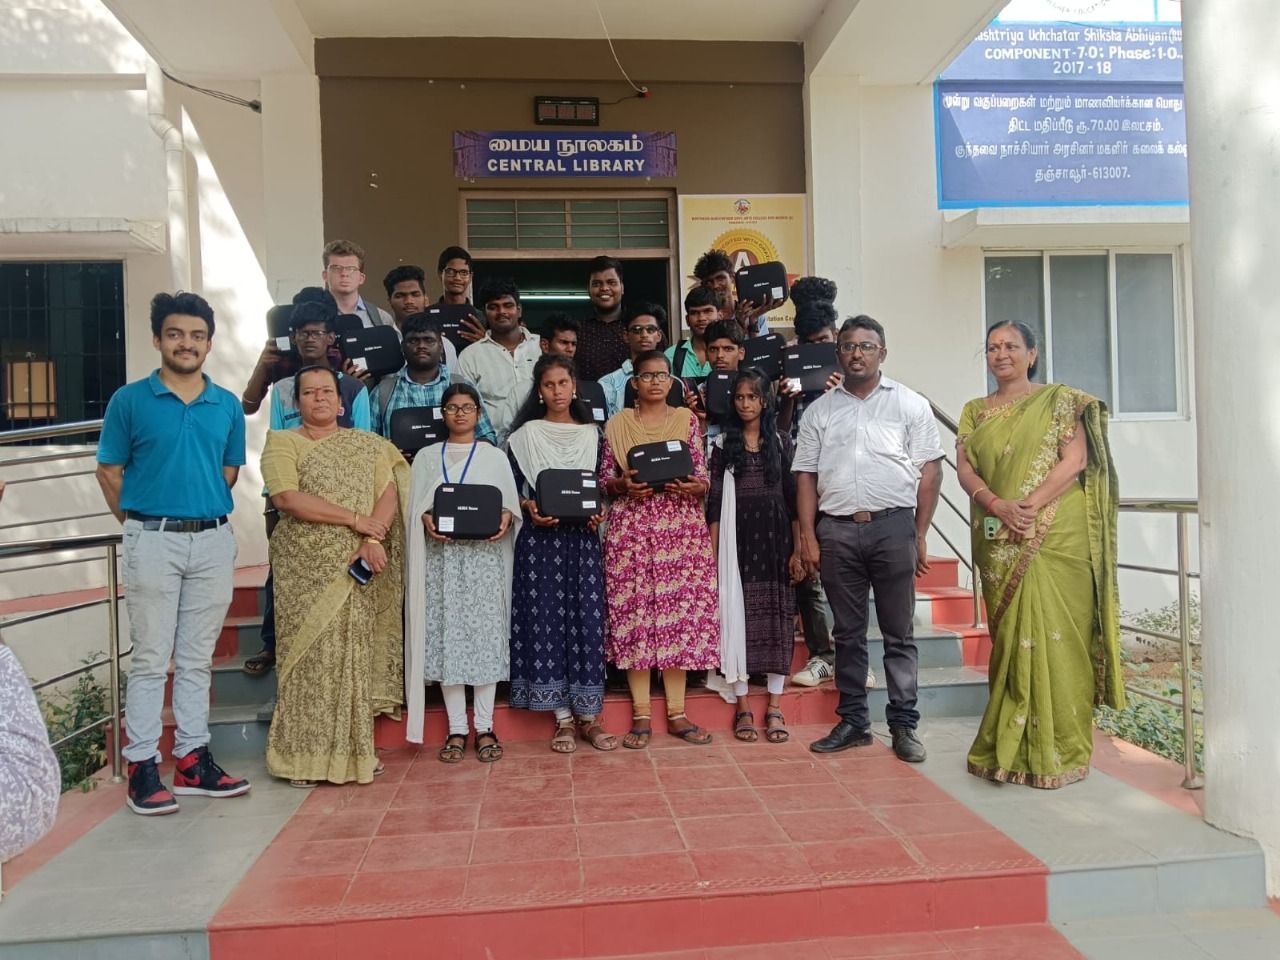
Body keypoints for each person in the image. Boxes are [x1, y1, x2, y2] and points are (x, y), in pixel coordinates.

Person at [95, 292, 250, 816]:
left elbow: (228, 473)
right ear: (158, 339)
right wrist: (143, 525)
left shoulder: (227, 404)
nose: (188, 344)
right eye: (177, 334)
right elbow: (109, 471)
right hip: (153, 538)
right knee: (149, 658)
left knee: (196, 659)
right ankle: (141, 764)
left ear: (209, 342)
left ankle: (191, 759)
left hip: (211, 537)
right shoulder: (130, 401)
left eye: (198, 335)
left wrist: (191, 514)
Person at [957, 321, 1124, 788]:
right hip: (998, 535)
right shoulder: (974, 410)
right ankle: (1006, 747)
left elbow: (1075, 461)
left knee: (1060, 637)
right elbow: (964, 469)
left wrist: (1027, 507)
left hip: (1054, 533)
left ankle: (1061, 749)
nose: (1000, 354)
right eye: (992, 347)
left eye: (1011, 346)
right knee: (1010, 638)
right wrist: (998, 505)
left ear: (1032, 354)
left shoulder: (1060, 400)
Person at [795, 316, 944, 763]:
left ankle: (903, 726)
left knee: (899, 633)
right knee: (848, 633)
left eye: (867, 346)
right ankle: (855, 722)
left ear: (883, 352)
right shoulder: (819, 411)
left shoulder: (910, 405)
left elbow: (931, 471)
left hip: (893, 527)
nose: (857, 353)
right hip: (837, 530)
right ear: (837, 353)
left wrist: (919, 533)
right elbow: (805, 476)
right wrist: (808, 537)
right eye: (848, 346)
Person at [260, 366, 408, 787]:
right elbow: (287, 497)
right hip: (304, 568)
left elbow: (390, 491)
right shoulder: (281, 442)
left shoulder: (368, 445)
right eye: (309, 393)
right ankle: (300, 759)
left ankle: (356, 752)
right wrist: (358, 520)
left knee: (351, 656)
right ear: (297, 402)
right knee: (307, 659)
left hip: (357, 564)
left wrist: (373, 536)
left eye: (327, 391)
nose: (319, 398)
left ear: (343, 402)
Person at [600, 351, 719, 748]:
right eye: (647, 375)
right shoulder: (616, 426)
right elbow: (604, 480)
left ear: (672, 381)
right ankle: (640, 715)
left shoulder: (685, 420)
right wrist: (620, 486)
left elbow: (701, 474)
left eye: (662, 375)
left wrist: (696, 487)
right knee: (635, 616)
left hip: (678, 528)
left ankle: (677, 712)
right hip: (631, 529)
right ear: (633, 382)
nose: (655, 381)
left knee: (676, 619)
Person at [405, 384, 521, 763]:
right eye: (452, 408)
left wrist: (505, 518)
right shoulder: (425, 457)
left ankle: (484, 726)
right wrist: (424, 517)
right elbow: (416, 507)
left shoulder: (493, 456)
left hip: (483, 560)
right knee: (446, 640)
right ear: (442, 413)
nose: (459, 414)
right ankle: (457, 728)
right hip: (442, 560)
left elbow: (509, 506)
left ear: (477, 412)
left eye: (467, 407)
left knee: (485, 640)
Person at [506, 355, 616, 753]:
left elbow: (602, 487)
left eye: (563, 383)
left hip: (583, 541)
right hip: (541, 541)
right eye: (549, 385)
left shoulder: (594, 434)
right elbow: (512, 487)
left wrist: (599, 513)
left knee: (586, 622)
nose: (557, 391)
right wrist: (527, 506)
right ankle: (563, 720)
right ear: (539, 390)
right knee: (546, 623)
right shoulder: (525, 436)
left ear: (575, 387)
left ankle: (589, 717)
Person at [707, 369, 801, 744]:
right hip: (736, 541)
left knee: (778, 621)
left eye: (753, 397)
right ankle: (743, 706)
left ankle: (775, 706)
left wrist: (799, 548)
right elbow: (714, 504)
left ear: (765, 401)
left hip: (776, 540)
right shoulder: (721, 445)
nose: (745, 404)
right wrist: (713, 557)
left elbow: (795, 501)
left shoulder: (781, 441)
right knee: (737, 619)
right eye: (739, 398)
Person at [777, 294, 849, 690]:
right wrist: (788, 400)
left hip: (844, 489)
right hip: (802, 485)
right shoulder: (790, 371)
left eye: (822, 341)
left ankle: (852, 657)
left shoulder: (852, 374)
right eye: (807, 343)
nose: (815, 350)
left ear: (835, 336)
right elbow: (782, 434)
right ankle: (823, 656)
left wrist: (835, 395)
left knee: (845, 576)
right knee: (807, 569)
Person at [369, 312, 497, 447]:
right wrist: (391, 455)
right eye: (413, 340)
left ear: (441, 346)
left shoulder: (462, 386)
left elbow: (487, 436)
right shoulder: (383, 392)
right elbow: (368, 443)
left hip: (455, 467)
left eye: (429, 340)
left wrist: (460, 453)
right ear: (402, 347)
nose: (421, 346)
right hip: (400, 467)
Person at [456, 277, 542, 443]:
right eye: (493, 307)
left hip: (541, 443)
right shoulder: (471, 356)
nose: (501, 311)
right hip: (491, 446)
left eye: (508, 305)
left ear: (519, 310)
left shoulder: (542, 347)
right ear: (485, 313)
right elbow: (464, 406)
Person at [268, 300, 371, 432]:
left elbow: (365, 443)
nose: (310, 339)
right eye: (304, 333)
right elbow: (276, 442)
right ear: (294, 338)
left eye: (317, 333)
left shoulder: (354, 388)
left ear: (331, 338)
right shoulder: (281, 389)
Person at [382, 264, 459, 367]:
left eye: (415, 294)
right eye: (400, 296)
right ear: (389, 301)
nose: (409, 301)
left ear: (426, 299)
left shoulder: (445, 345)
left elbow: (452, 380)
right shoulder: (383, 344)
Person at [599, 303, 666, 418]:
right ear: (626, 336)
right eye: (637, 330)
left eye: (650, 329)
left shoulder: (672, 381)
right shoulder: (607, 383)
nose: (644, 335)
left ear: (659, 335)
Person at [692, 248, 777, 338]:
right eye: (709, 282)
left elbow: (761, 351)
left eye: (720, 278)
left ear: (732, 277)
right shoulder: (705, 319)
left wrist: (752, 322)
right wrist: (739, 326)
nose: (715, 285)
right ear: (703, 285)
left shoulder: (754, 314)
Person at [575, 256, 630, 382]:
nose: (604, 288)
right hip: (588, 400)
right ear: (588, 289)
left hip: (632, 400)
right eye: (596, 284)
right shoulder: (576, 330)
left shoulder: (638, 328)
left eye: (611, 282)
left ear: (622, 287)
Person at [322, 239, 395, 328]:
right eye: (336, 268)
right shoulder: (310, 315)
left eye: (351, 269)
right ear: (325, 275)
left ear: (361, 278)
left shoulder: (382, 318)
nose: (344, 274)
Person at [665, 286, 720, 380]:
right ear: (687, 320)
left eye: (707, 311)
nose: (701, 318)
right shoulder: (671, 355)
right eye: (694, 313)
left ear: (720, 316)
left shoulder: (732, 353)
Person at [437, 245, 487, 345]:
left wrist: (485, 342)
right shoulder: (429, 315)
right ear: (440, 274)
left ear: (470, 277)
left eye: (464, 272)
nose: (457, 278)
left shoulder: (481, 317)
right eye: (451, 272)